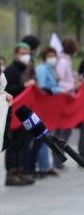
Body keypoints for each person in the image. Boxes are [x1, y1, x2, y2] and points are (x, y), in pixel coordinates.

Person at [3, 42, 37, 185]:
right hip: (14, 112)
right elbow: (8, 89)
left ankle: (19, 170)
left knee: (21, 143)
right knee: (13, 144)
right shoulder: (11, 70)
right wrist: (24, 86)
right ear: (16, 54)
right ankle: (11, 173)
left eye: (27, 53)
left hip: (22, 112)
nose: (26, 56)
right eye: (23, 53)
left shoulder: (24, 70)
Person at [33, 47, 61, 177]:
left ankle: (46, 165)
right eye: (50, 55)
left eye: (54, 55)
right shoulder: (42, 69)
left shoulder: (50, 69)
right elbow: (43, 87)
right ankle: (43, 166)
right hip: (43, 105)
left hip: (49, 106)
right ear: (45, 56)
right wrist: (58, 90)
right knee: (43, 136)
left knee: (46, 135)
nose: (53, 58)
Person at [52, 38, 78, 169]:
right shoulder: (63, 61)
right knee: (64, 129)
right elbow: (59, 80)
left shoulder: (65, 60)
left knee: (63, 129)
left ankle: (58, 157)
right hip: (65, 98)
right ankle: (58, 158)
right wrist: (72, 85)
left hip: (66, 97)